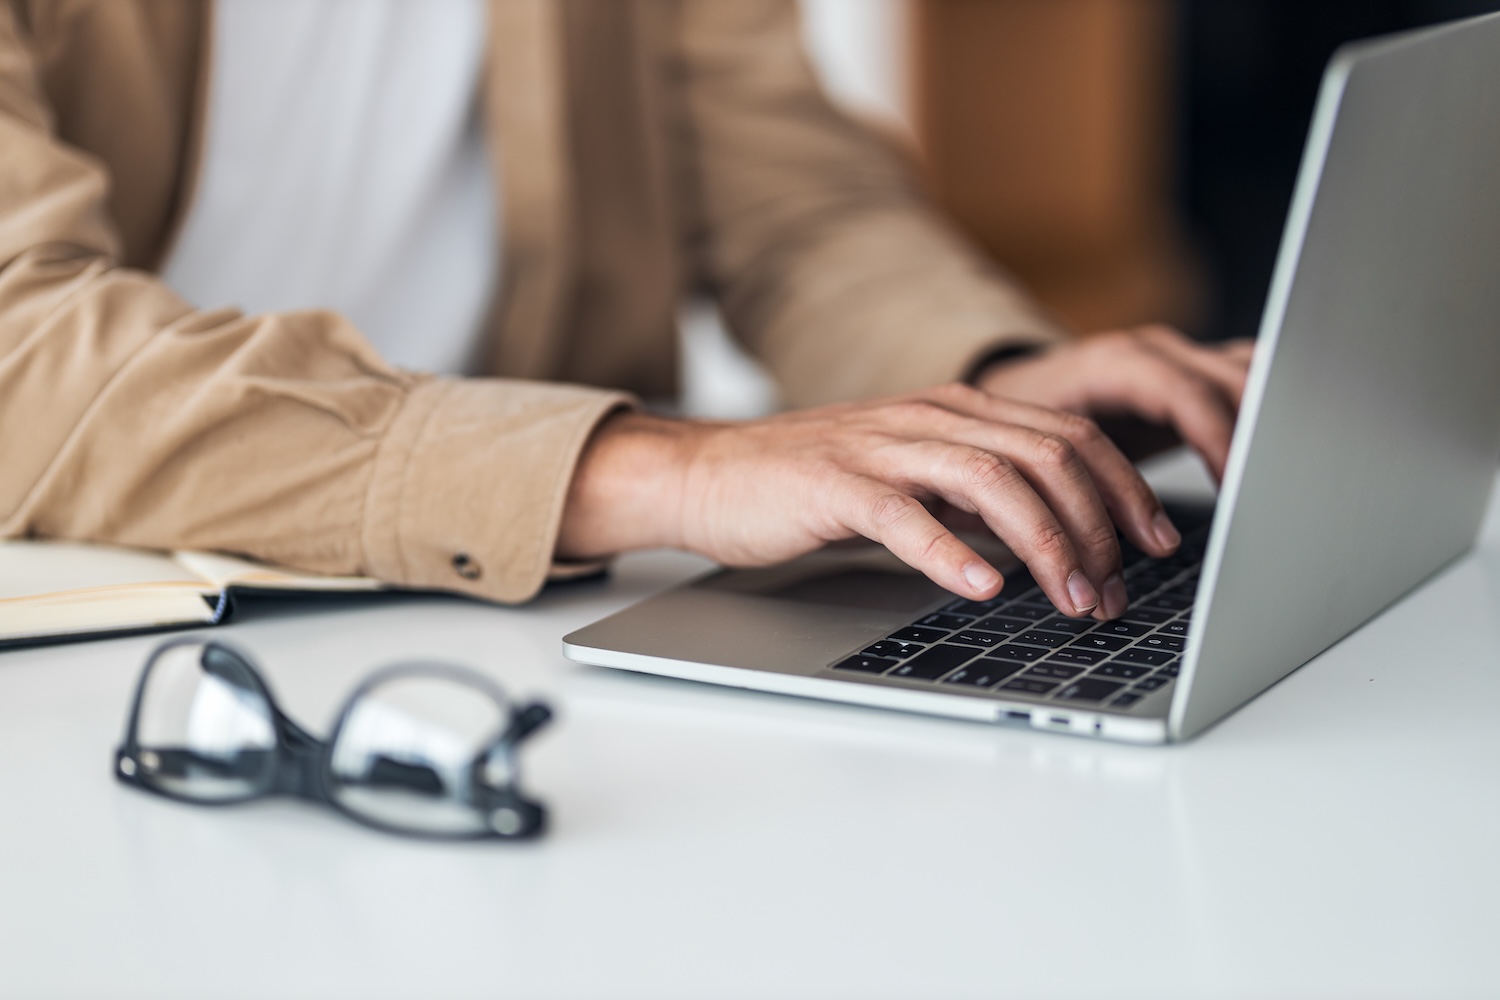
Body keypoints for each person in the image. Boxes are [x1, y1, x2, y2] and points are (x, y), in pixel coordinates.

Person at [0, 0, 1250, 622]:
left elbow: (790, 197)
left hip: (511, 609)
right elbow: (21, 339)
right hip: (109, 638)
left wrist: (987, 379)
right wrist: (662, 469)